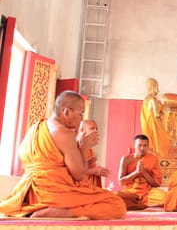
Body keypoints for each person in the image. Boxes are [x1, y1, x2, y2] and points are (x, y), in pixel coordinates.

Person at [0, 91, 126, 219]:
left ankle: (47, 208)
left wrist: (85, 163)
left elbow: (50, 165)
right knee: (117, 204)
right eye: (80, 113)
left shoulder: (35, 128)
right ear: (66, 112)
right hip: (54, 193)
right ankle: (62, 212)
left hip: (29, 193)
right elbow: (78, 176)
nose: (82, 118)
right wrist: (83, 148)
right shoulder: (65, 133)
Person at [118, 134, 166, 207]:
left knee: (165, 198)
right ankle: (141, 204)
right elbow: (121, 182)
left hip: (147, 192)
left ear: (148, 146)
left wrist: (144, 172)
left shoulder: (153, 159)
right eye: (139, 145)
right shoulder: (126, 159)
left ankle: (138, 204)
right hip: (130, 191)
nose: (142, 148)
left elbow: (156, 184)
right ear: (134, 145)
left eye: (145, 145)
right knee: (115, 198)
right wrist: (136, 172)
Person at [140, 77, 171, 157]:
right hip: (154, 126)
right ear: (152, 87)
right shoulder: (152, 100)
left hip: (147, 127)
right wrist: (164, 130)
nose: (158, 90)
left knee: (151, 144)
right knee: (165, 139)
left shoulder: (146, 99)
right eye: (156, 87)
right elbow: (157, 115)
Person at [78, 119, 111, 187]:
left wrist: (95, 169)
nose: (95, 131)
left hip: (89, 186)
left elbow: (84, 168)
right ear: (82, 130)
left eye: (96, 129)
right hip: (79, 187)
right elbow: (73, 172)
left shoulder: (89, 149)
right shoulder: (74, 145)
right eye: (92, 128)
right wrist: (93, 171)